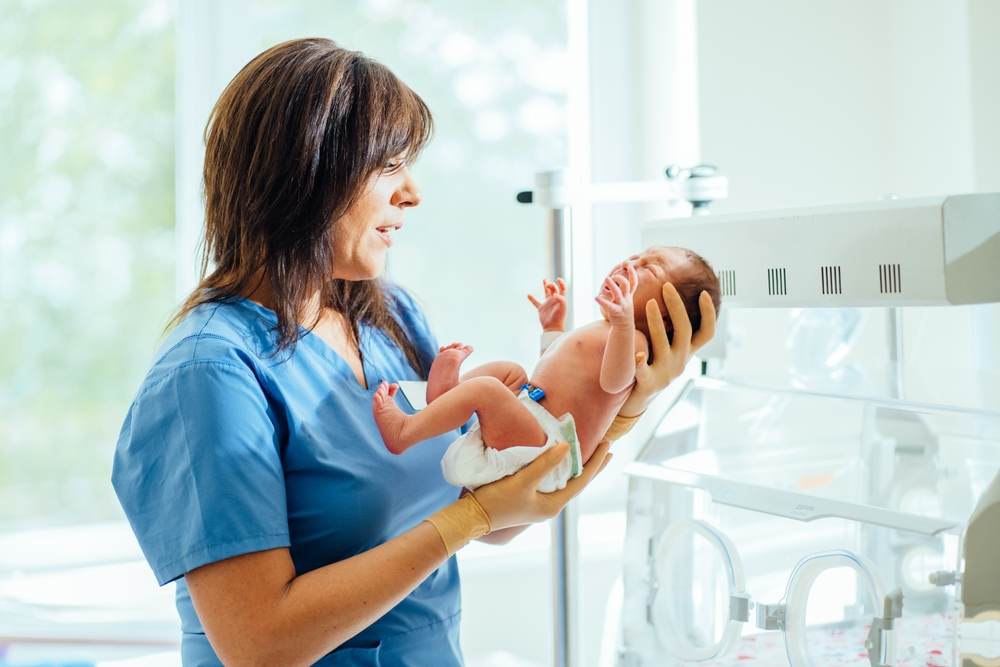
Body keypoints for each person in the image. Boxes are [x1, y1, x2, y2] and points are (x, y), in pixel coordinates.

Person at [111, 38, 716, 667]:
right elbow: (259, 644)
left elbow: (500, 509)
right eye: (391, 166)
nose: (413, 194)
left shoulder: (390, 317)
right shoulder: (210, 371)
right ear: (308, 173)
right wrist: (468, 522)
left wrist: (624, 403)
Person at [372, 246, 721, 492]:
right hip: (534, 420)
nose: (630, 263)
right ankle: (446, 397)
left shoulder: (634, 342)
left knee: (490, 391)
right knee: (510, 373)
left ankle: (406, 431)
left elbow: (614, 383)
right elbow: (553, 367)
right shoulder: (605, 331)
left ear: (666, 315)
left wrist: (624, 324)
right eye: (635, 256)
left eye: (649, 268)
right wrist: (553, 326)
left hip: (551, 451)